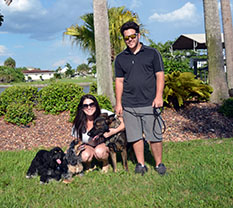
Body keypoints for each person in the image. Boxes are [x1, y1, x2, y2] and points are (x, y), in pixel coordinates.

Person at [114, 21, 166, 175]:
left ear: (138, 35)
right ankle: (141, 165)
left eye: (132, 36)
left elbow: (160, 75)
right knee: (135, 136)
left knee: (154, 136)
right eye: (126, 38)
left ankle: (159, 164)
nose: (130, 40)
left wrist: (159, 96)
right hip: (129, 104)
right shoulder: (120, 58)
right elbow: (119, 81)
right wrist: (118, 103)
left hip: (150, 103)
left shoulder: (152, 53)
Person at [71, 94, 125, 173]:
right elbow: (76, 140)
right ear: (82, 108)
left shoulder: (103, 114)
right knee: (84, 156)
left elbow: (123, 124)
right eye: (85, 106)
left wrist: (113, 131)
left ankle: (105, 163)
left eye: (91, 104)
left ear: (96, 105)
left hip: (103, 144)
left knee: (99, 152)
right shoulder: (78, 121)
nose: (89, 108)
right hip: (88, 145)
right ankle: (89, 164)